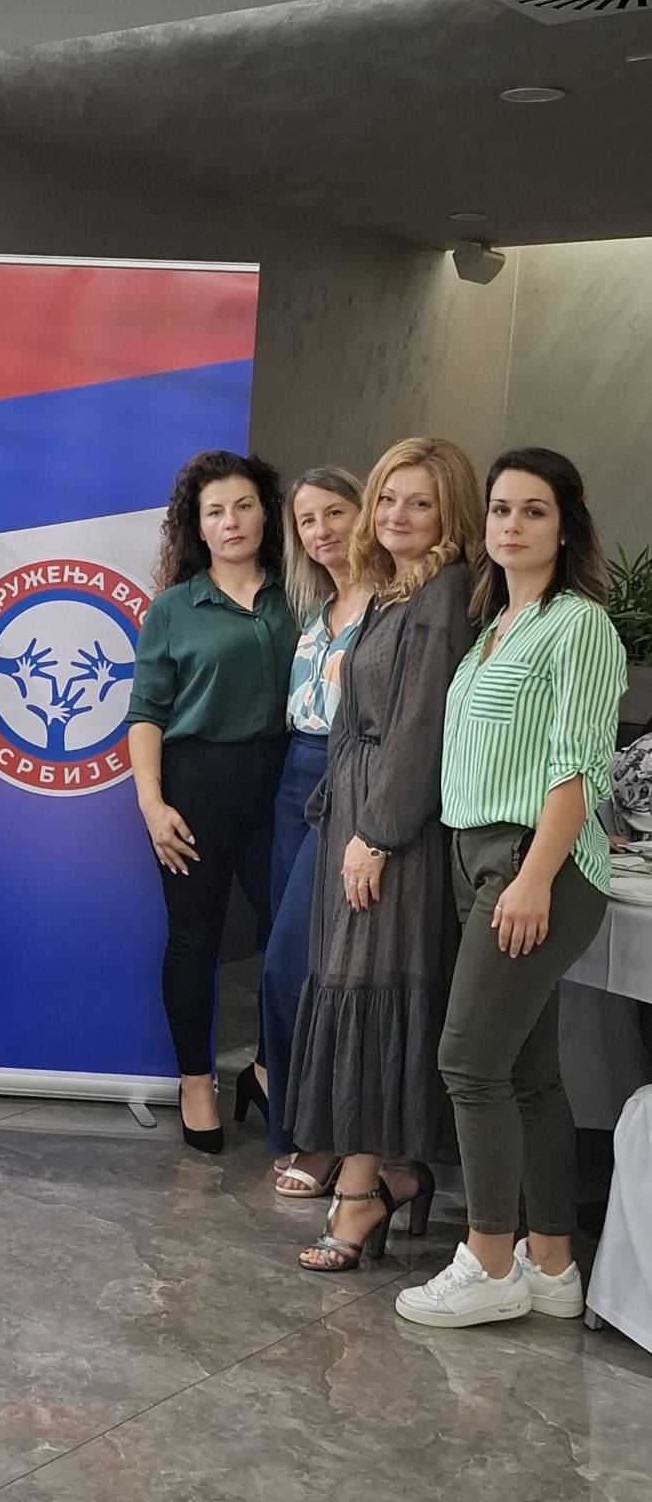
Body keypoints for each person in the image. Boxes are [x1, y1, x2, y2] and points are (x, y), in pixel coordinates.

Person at [398, 449, 626, 1327]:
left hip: (532, 860)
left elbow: (576, 768)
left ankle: (489, 1264)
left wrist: (533, 877)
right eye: (499, 509)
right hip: (476, 853)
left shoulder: (578, 625)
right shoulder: (497, 623)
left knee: (467, 1060)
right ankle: (551, 1262)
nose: (511, 525)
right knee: (526, 1072)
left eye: (533, 511)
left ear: (565, 526)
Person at [286, 437, 481, 1270]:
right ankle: (395, 1172)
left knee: (368, 998)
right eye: (388, 498)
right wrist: (337, 815)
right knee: (348, 993)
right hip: (354, 813)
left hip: (391, 827)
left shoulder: (441, 593)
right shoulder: (390, 588)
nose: (396, 515)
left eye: (419, 503)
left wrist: (377, 833)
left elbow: (418, 729)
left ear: (450, 514)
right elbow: (351, 716)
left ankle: (362, 1189)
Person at [126, 451, 296, 1154]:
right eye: (215, 511)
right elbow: (145, 714)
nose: (231, 522)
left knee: (287, 936)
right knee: (195, 939)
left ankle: (265, 1069)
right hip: (194, 786)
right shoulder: (173, 607)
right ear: (196, 526)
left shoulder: (301, 595)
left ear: (267, 514)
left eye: (244, 506)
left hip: (282, 783)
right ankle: (195, 1082)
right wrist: (151, 805)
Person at [257, 468, 369, 1197]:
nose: (321, 530)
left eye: (335, 513)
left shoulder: (393, 607)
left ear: (365, 514)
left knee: (296, 964)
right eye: (306, 520)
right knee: (287, 960)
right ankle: (298, 1124)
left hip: (347, 778)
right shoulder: (314, 609)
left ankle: (323, 1136)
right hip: (293, 776)